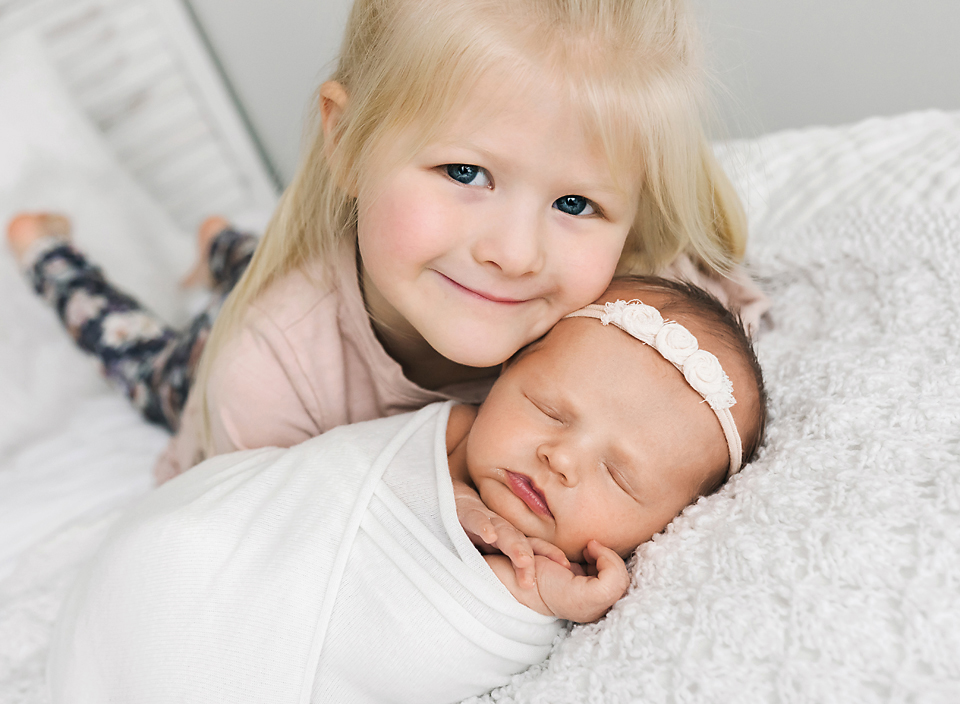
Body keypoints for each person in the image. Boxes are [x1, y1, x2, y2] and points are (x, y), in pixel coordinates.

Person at [7, 0, 768, 582]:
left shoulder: (625, 311)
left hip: (336, 275)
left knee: (255, 258)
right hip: (210, 355)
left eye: (575, 204)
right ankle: (47, 250)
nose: (513, 253)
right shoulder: (266, 376)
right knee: (142, 354)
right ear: (345, 142)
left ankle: (223, 245)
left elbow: (713, 341)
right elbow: (252, 556)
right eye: (465, 172)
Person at [48, 277, 767, 704]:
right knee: (204, 333)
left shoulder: (550, 574)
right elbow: (377, 478)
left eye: (618, 475)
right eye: (547, 408)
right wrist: (453, 500)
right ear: (503, 375)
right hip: (185, 550)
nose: (561, 457)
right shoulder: (445, 431)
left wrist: (561, 597)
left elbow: (446, 624)